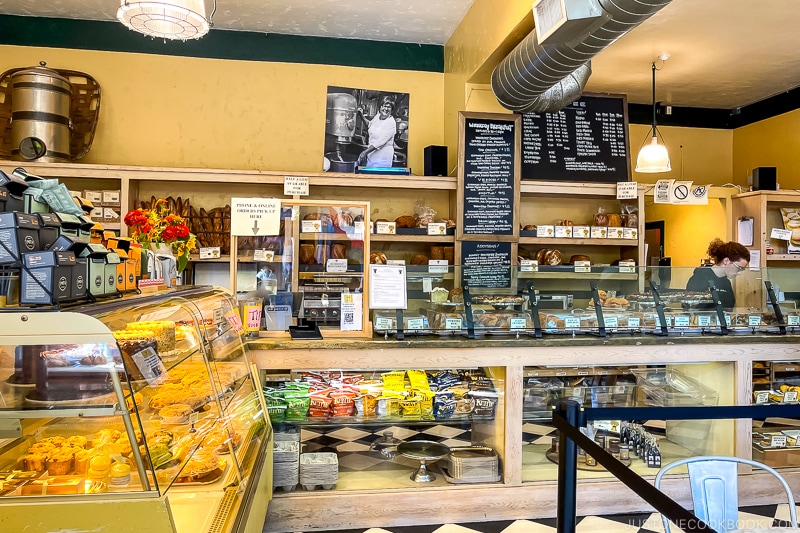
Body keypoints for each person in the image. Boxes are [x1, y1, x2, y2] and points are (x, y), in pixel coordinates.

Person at [686, 238, 750, 308]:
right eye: (739, 268)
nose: (739, 272)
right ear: (726, 261)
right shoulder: (699, 279)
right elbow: (690, 308)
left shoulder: (726, 282)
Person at [357, 99, 397, 168]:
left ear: (392, 110)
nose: (386, 109)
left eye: (389, 107)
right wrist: (361, 115)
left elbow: (380, 142)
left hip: (382, 159)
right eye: (384, 106)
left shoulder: (391, 123)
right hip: (371, 156)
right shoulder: (377, 116)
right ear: (380, 107)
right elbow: (369, 125)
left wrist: (364, 152)